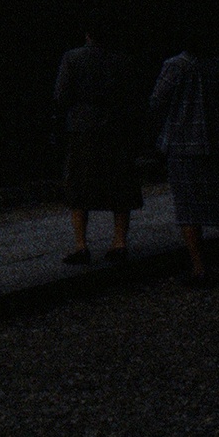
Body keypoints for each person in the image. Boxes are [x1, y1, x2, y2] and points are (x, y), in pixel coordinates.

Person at [147, 24, 219, 285]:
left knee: (189, 209)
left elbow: (157, 101)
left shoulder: (176, 65)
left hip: (183, 145)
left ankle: (199, 268)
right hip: (218, 145)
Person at [55, 20, 141, 264]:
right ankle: (119, 241)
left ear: (87, 34)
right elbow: (133, 95)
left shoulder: (72, 58)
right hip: (116, 128)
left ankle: (81, 244)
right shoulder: (123, 60)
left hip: (83, 128)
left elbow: (61, 95)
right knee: (120, 184)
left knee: (79, 186)